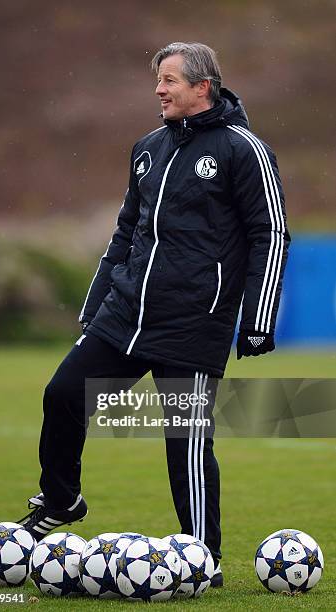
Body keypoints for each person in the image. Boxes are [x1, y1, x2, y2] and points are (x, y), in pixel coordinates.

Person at [18, 42, 290, 587]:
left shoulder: (244, 150)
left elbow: (270, 233)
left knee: (185, 442)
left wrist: (258, 319)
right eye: (157, 81)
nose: (159, 90)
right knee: (64, 393)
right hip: (125, 315)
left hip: (195, 320)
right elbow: (125, 232)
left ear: (202, 86)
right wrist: (96, 305)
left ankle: (202, 559)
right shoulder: (148, 148)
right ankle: (62, 501)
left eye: (169, 80)